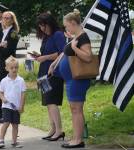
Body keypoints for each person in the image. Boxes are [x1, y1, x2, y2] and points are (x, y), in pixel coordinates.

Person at [48, 9, 92, 148]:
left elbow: (88, 57)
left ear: (73, 23)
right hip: (71, 80)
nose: (66, 28)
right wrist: (54, 64)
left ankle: (78, 140)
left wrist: (75, 48)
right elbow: (64, 53)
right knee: (74, 109)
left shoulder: (83, 37)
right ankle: (76, 137)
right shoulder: (75, 37)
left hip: (78, 80)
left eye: (66, 26)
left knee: (76, 109)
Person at [35, 12, 66, 141]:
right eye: (40, 26)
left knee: (52, 102)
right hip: (43, 73)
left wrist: (46, 57)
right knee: (47, 103)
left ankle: (59, 130)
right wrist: (39, 56)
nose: (42, 29)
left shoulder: (58, 34)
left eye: (43, 26)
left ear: (49, 24)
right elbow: (47, 52)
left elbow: (62, 53)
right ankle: (53, 129)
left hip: (54, 73)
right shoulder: (46, 37)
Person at [0, 11, 20, 123]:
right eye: (4, 18)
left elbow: (9, 50)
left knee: (3, 89)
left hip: (9, 65)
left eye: (8, 18)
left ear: (12, 20)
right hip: (1, 63)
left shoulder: (13, 33)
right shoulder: (3, 31)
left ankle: (4, 114)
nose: (5, 20)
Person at [0, 56, 26, 149]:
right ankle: (1, 140)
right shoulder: (4, 81)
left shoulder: (21, 80)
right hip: (6, 106)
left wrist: (21, 106)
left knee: (15, 125)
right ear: (7, 68)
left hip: (16, 107)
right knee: (6, 122)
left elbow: (23, 94)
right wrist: (3, 98)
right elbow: (0, 92)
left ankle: (14, 142)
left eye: (16, 67)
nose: (14, 69)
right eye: (12, 68)